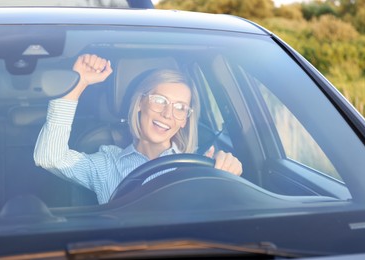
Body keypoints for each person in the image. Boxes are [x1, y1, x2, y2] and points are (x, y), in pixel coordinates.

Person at [34, 54, 243, 204]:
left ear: (184, 121)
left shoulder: (200, 166)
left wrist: (227, 177)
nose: (167, 114)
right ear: (140, 103)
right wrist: (79, 83)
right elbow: (49, 157)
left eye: (180, 108)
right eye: (160, 100)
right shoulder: (107, 165)